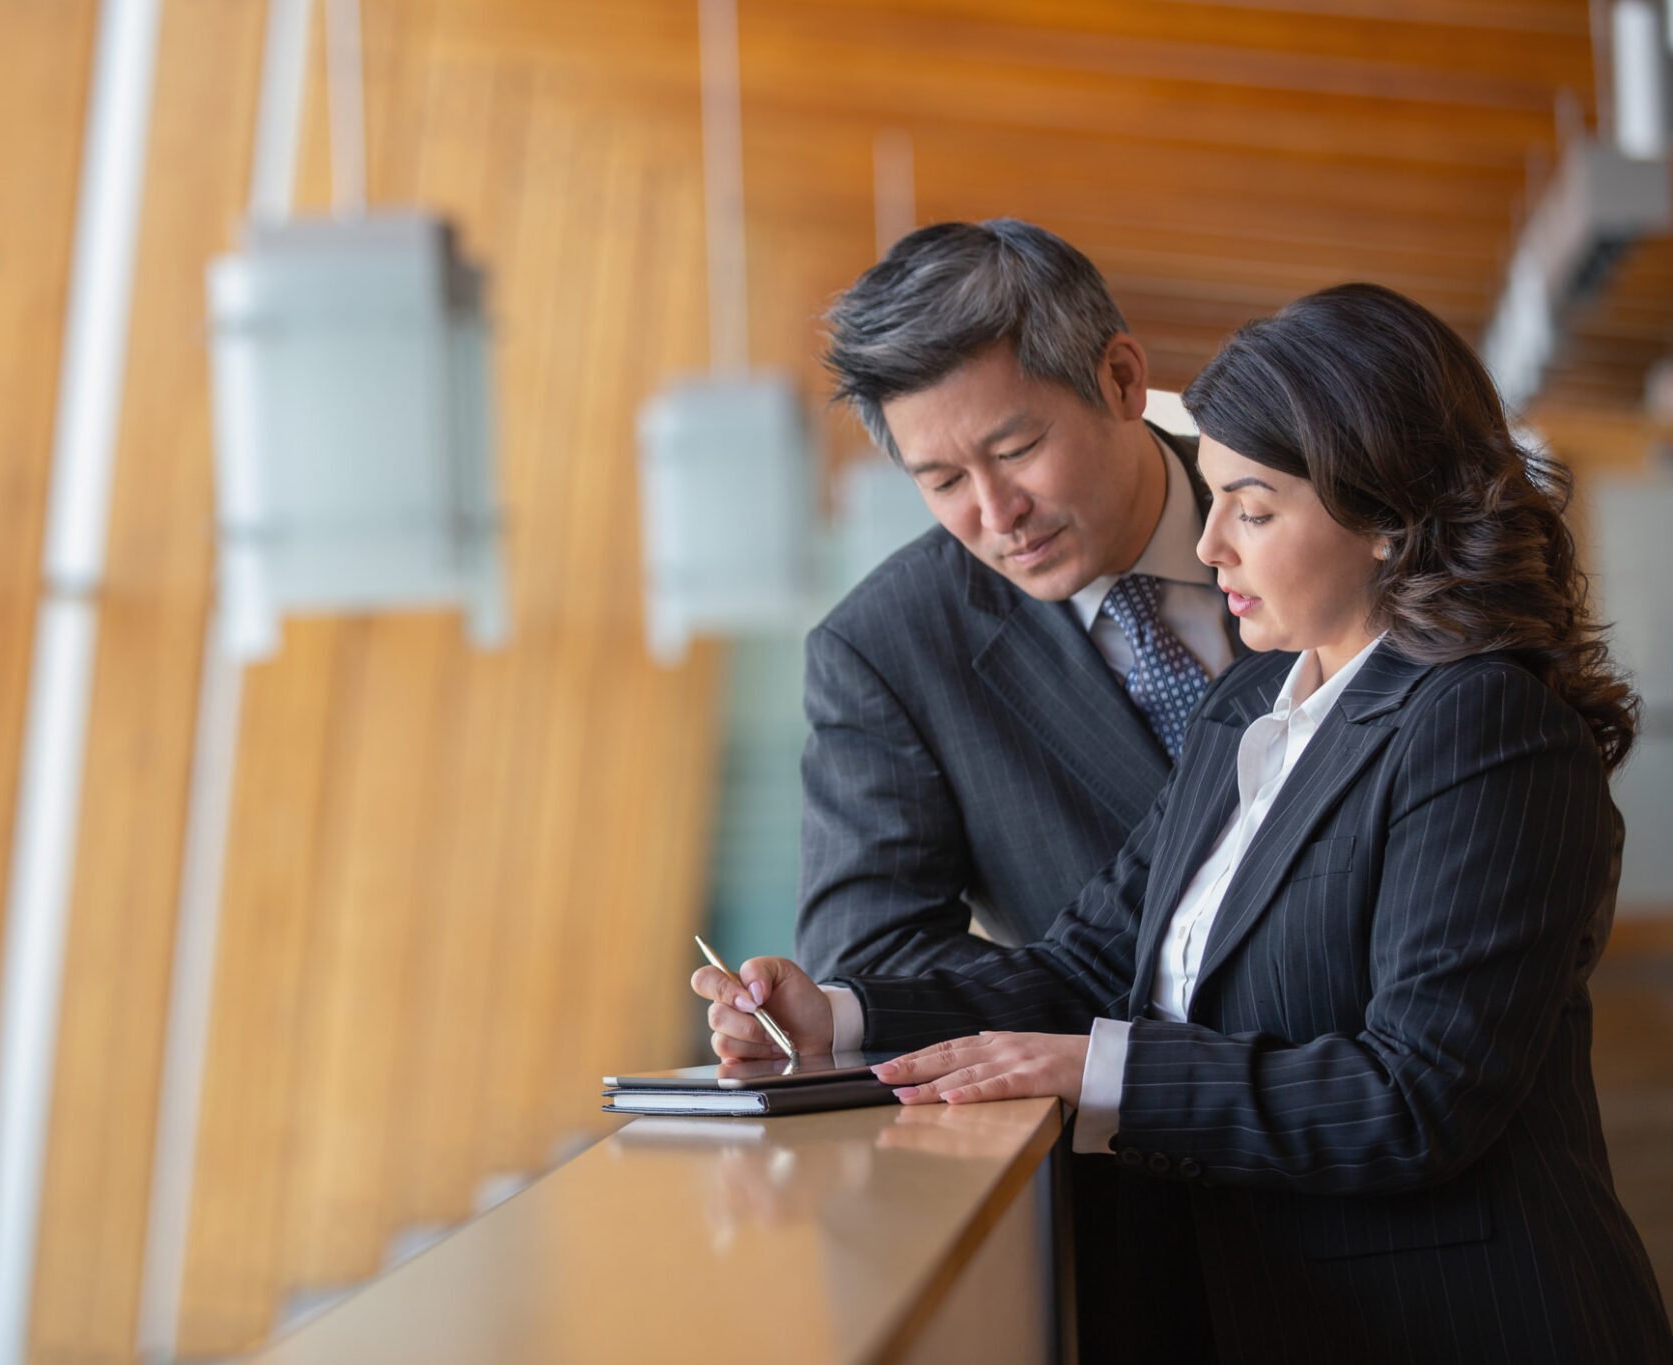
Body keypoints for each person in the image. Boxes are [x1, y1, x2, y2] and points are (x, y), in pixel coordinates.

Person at [700, 284, 1673, 1362]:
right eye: (1210, 502)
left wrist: (1094, 1073)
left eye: (1250, 510)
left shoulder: (1485, 727)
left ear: (1391, 521)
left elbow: (1417, 1095)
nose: (1207, 547)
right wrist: (832, 1015)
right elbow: (1084, 963)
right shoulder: (1250, 707)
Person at [799, 219, 1235, 983]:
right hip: (1131, 1098)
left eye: (1016, 452)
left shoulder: (1318, 503)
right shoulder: (888, 649)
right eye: (942, 482)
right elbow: (871, 959)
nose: (997, 514)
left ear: (1124, 380)